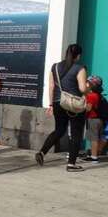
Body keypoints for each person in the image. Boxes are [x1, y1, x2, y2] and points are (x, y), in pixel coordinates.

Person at [35, 44, 88, 172]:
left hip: (58, 103)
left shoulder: (55, 67)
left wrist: (51, 104)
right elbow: (82, 88)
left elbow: (51, 87)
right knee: (76, 133)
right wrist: (89, 87)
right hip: (73, 104)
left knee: (59, 130)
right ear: (79, 55)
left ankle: (42, 152)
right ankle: (71, 164)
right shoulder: (80, 68)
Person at [81, 75, 106, 163]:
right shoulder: (99, 95)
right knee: (97, 137)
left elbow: (88, 108)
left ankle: (94, 157)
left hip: (93, 119)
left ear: (91, 85)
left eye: (87, 82)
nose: (85, 84)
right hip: (99, 120)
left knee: (93, 139)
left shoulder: (91, 96)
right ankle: (94, 154)